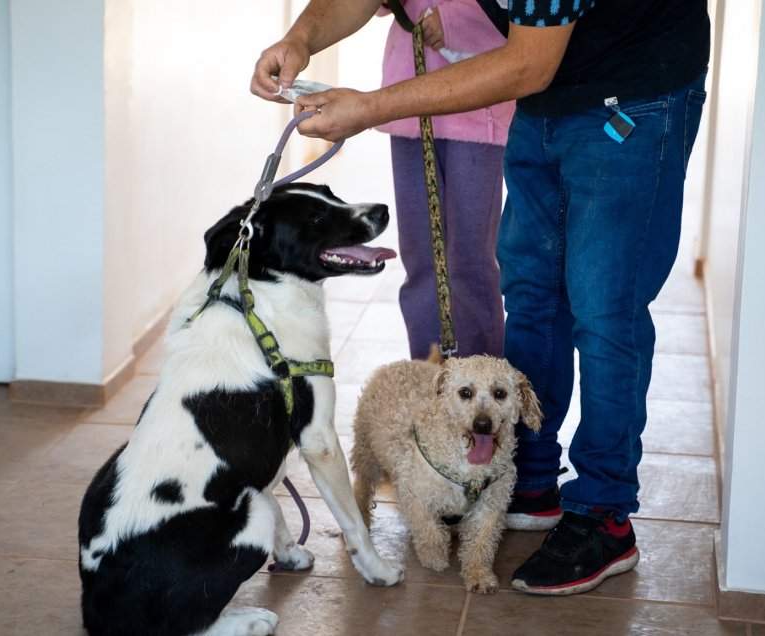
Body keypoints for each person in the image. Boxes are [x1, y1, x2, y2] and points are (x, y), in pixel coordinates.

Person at [252, 0, 710, 596]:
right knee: (531, 292)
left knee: (604, 309)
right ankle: (532, 474)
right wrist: (301, 37)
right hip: (549, 96)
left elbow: (528, 64)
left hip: (632, 89)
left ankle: (605, 512)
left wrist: (368, 108)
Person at [374, 0, 514, 359]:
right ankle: (428, 380)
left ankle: (479, 388)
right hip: (408, 105)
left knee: (469, 261)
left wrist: (455, 21)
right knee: (420, 257)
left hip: (479, 110)